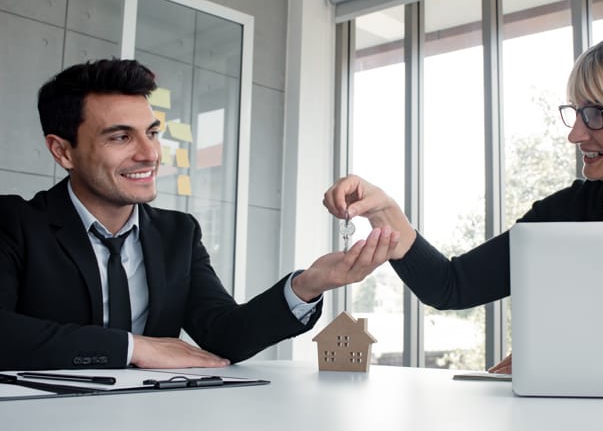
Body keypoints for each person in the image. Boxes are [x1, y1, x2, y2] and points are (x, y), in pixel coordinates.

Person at [323, 28, 603, 374]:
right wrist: (385, 212)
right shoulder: (566, 211)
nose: (576, 135)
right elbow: (452, 287)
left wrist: (571, 352)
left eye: (598, 113)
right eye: (577, 113)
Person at [0, 58, 399, 371]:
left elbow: (224, 335)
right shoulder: (14, 223)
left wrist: (309, 284)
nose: (149, 153)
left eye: (152, 133)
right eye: (121, 137)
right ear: (62, 151)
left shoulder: (177, 233)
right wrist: (134, 347)